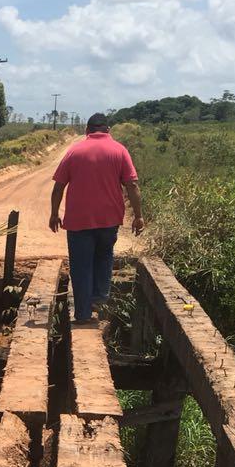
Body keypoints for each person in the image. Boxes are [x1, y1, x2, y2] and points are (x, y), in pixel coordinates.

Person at [49, 112, 144, 324]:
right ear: (108, 130)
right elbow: (132, 185)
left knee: (81, 266)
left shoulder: (74, 151)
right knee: (104, 256)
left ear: (87, 131)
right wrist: (138, 216)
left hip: (78, 220)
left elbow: (58, 187)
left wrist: (54, 213)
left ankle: (83, 314)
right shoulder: (120, 150)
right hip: (109, 219)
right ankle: (99, 296)